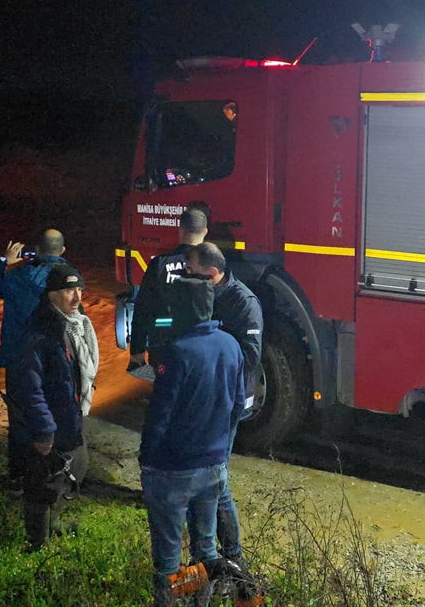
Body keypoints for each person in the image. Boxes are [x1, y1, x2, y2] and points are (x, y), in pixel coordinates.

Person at [139, 277, 244, 607]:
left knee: (168, 561)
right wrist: (221, 451)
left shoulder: (178, 352)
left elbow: (160, 415)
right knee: (207, 548)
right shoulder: (231, 345)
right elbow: (238, 405)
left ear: (181, 310)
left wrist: (147, 458)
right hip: (213, 468)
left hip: (173, 470)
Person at [8, 263, 99, 550]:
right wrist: (44, 431)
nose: (77, 297)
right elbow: (29, 388)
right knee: (42, 484)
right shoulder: (40, 333)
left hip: (69, 417)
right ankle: (37, 544)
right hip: (47, 425)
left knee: (75, 468)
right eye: (68, 290)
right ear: (51, 295)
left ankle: (52, 523)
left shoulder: (75, 326)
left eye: (79, 289)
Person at [184, 240, 262, 565]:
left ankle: (229, 560)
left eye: (193, 272)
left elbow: (251, 357)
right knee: (210, 477)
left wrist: (211, 357)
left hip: (226, 402)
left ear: (213, 273)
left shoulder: (243, 303)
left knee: (215, 479)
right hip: (203, 400)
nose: (186, 276)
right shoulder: (200, 295)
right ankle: (221, 559)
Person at [0, 228, 68, 491]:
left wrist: (6, 261)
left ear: (35, 251)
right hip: (57, 359)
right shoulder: (70, 278)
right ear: (63, 251)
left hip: (20, 357)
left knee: (20, 418)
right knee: (52, 413)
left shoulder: (18, 276)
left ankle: (19, 478)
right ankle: (52, 474)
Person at [127, 205, 208, 374]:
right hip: (201, 347)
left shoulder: (160, 264)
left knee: (167, 393)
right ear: (205, 232)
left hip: (163, 345)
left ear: (180, 230)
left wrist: (137, 350)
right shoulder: (211, 266)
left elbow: (143, 308)